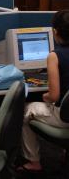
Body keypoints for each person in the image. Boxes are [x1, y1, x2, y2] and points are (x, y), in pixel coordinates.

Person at [20, 10, 69, 172]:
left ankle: (33, 161)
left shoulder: (55, 56)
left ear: (55, 32)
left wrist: (44, 96)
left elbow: (53, 95)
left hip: (63, 117)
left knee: (25, 110)